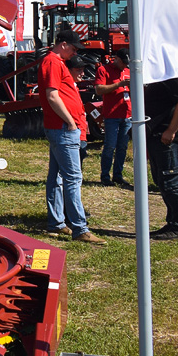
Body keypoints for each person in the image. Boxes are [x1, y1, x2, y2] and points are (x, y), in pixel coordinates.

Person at [39, 30, 104, 244]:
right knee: (73, 178)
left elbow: (54, 94)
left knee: (57, 177)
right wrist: (69, 120)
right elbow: (52, 95)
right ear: (63, 44)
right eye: (74, 49)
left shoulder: (55, 62)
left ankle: (57, 223)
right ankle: (79, 228)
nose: (75, 52)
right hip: (63, 128)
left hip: (61, 127)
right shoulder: (53, 62)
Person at [143, 76, 178, 240]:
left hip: (169, 138)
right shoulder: (163, 75)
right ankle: (174, 222)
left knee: (172, 182)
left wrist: (171, 131)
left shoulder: (175, 76)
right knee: (164, 181)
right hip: (158, 136)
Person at [95, 50, 132, 186]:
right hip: (112, 115)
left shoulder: (127, 70)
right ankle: (105, 176)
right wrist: (118, 85)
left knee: (122, 147)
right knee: (110, 146)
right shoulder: (103, 70)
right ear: (116, 59)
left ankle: (118, 175)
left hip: (127, 114)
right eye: (123, 63)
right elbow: (99, 89)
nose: (124, 66)